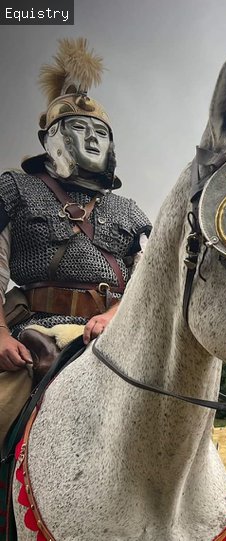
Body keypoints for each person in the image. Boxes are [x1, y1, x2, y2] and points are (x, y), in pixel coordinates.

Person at [0, 38, 151, 444]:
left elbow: (150, 275)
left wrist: (115, 314)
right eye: (79, 129)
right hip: (37, 335)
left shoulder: (128, 209)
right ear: (51, 139)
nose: (92, 139)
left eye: (100, 132)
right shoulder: (15, 189)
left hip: (114, 332)